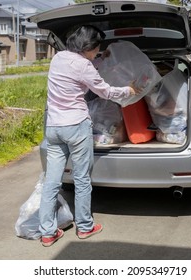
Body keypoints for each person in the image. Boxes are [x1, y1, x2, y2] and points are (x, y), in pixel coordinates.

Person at [39, 25, 139, 247]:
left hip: (54, 127)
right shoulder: (84, 65)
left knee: (52, 182)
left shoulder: (58, 58)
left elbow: (79, 68)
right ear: (88, 47)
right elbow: (106, 91)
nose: (97, 52)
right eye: (97, 49)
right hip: (76, 126)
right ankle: (85, 227)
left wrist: (100, 59)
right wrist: (128, 91)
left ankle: (47, 232)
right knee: (82, 179)